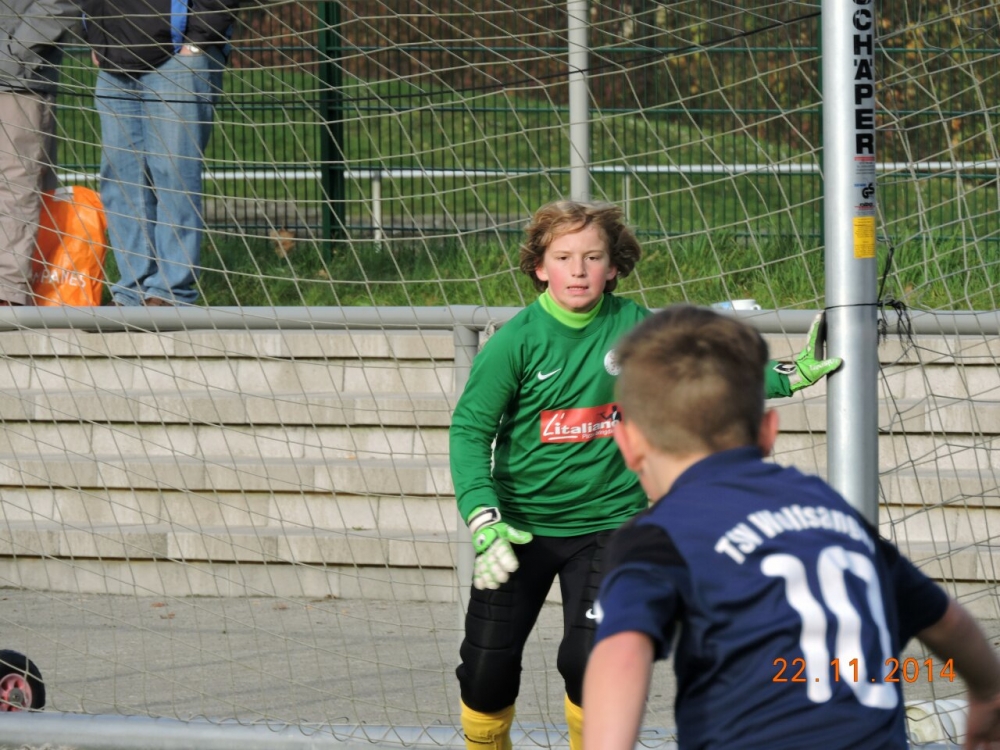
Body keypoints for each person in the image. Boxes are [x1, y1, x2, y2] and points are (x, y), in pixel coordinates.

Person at [449, 200, 842, 750]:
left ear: (613, 266)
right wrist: (483, 518)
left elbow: (700, 375)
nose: (578, 270)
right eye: (563, 257)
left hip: (610, 524)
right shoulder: (515, 342)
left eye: (592, 257)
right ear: (539, 267)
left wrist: (787, 374)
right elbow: (469, 431)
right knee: (486, 672)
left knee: (590, 662)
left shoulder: (636, 327)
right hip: (516, 531)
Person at [582, 305, 1000, 750]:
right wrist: (989, 693)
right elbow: (947, 621)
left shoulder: (659, 533)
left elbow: (622, 653)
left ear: (627, 443)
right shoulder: (832, 512)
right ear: (768, 431)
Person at [81, 0, 241, 306]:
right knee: (120, 180)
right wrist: (95, 35)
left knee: (174, 175)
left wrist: (196, 41)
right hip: (113, 58)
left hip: (177, 57)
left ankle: (171, 292)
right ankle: (131, 291)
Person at [0, 0, 78, 305]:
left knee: (15, 184)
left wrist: (13, 55)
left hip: (17, 79)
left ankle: (7, 294)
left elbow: (60, 3)